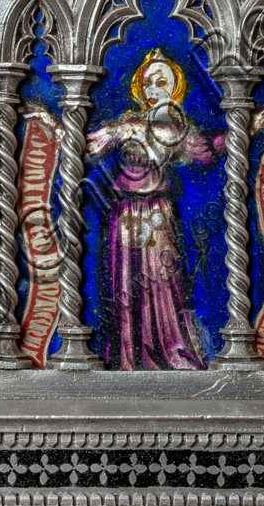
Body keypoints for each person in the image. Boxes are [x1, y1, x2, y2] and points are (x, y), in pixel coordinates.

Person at [86, 48, 227, 370]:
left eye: (161, 82)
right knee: (125, 283)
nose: (153, 89)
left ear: (174, 88)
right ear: (140, 88)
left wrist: (249, 126)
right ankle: (128, 357)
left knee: (162, 280)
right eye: (148, 83)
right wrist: (49, 124)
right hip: (123, 215)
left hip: (157, 216)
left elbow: (208, 151)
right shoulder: (128, 126)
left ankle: (171, 350)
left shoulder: (178, 132)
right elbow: (87, 144)